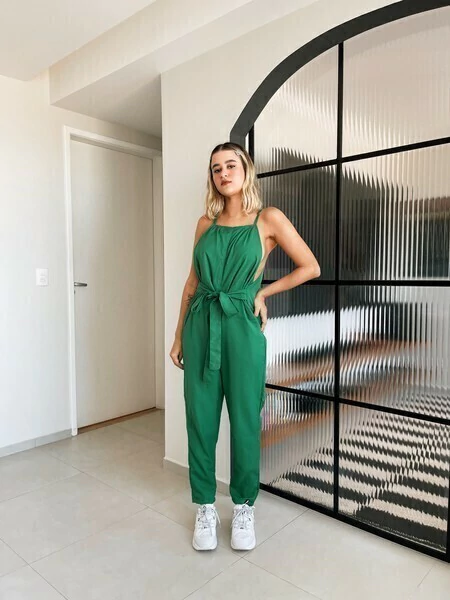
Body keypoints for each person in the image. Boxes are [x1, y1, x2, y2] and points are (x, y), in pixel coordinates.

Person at [170, 141, 321, 552]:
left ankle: (243, 507)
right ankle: (204, 506)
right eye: (216, 168)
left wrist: (263, 292)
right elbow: (192, 283)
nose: (223, 173)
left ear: (245, 170)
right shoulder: (205, 223)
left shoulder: (268, 219)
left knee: (245, 420)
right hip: (202, 324)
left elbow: (310, 266)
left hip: (242, 328)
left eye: (230, 165)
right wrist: (179, 335)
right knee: (200, 419)